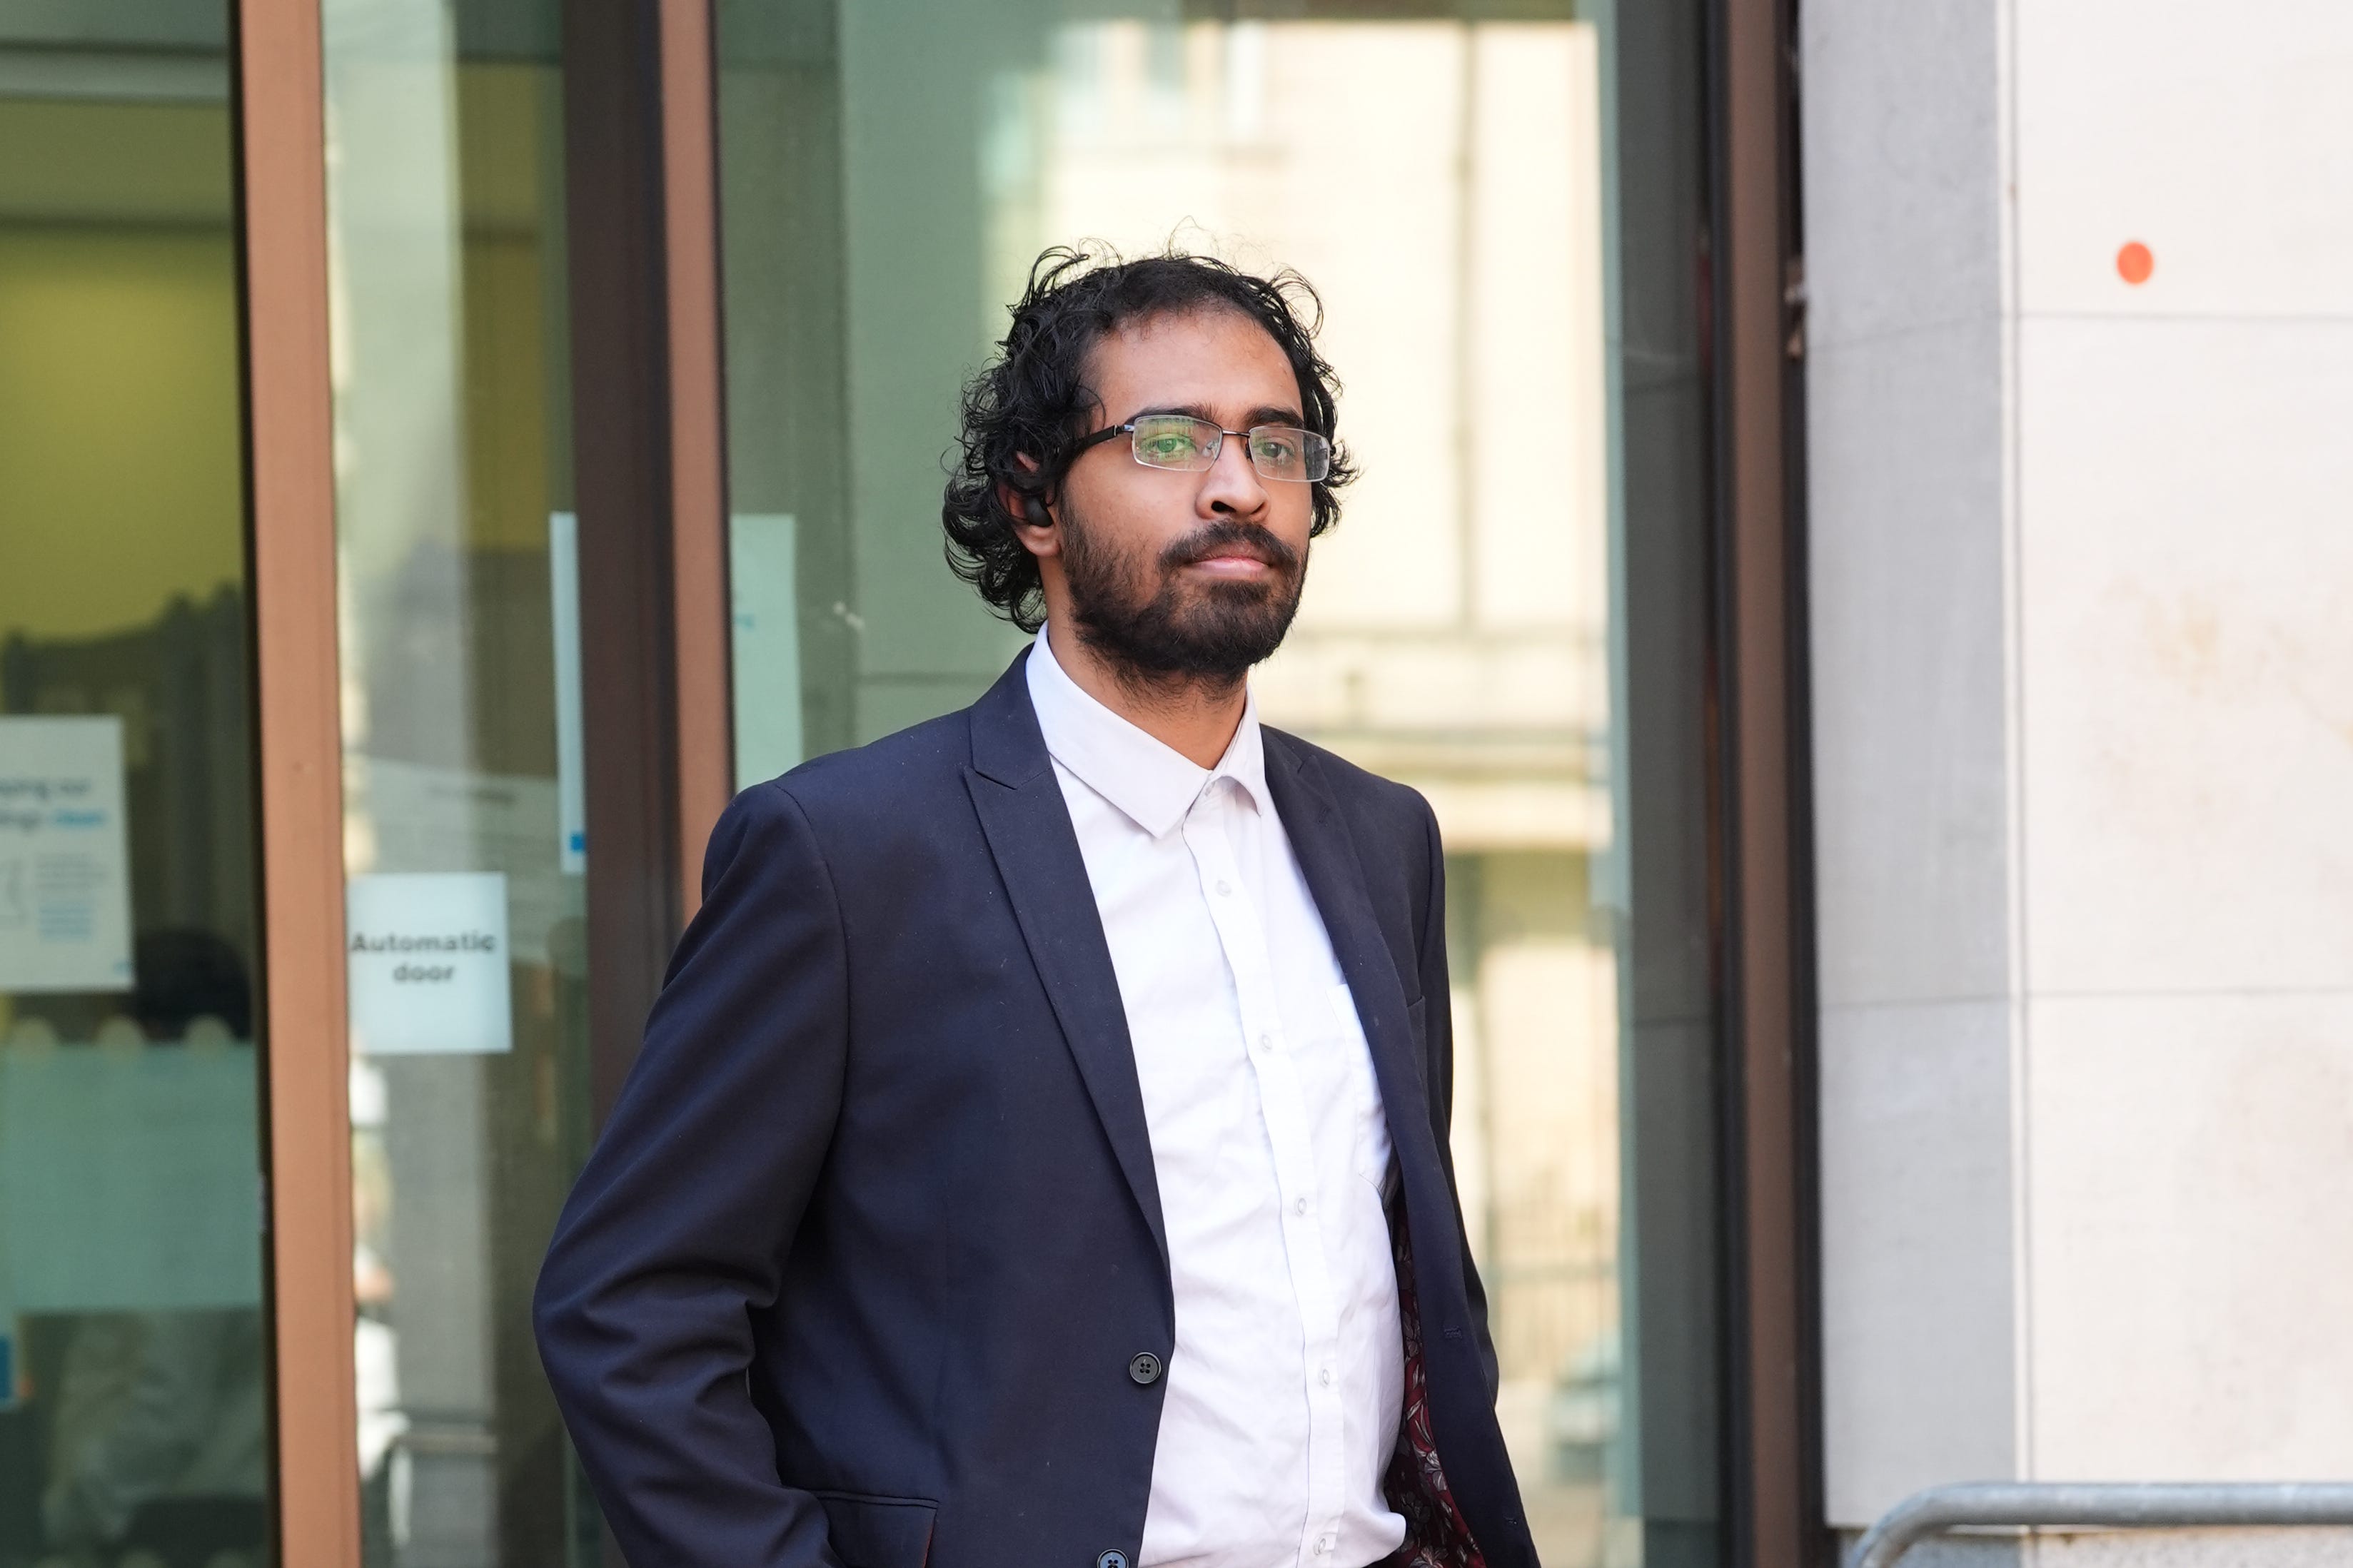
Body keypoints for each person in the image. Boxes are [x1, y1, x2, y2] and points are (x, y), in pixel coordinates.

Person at [533, 248, 1537, 1568]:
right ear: (1033, 503)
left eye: (1277, 445)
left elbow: (1403, 1275)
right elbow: (629, 1305)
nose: (1238, 485)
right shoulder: (848, 856)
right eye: (1167, 438)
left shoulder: (1380, 836)